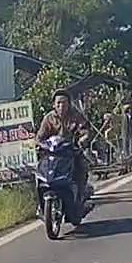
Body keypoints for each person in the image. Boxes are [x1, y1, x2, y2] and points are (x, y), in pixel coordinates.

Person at [36, 89, 93, 221]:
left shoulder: (76, 116)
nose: (61, 106)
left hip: (71, 153)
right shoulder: (48, 118)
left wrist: (82, 140)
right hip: (52, 154)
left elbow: (85, 130)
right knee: (39, 173)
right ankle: (40, 205)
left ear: (69, 104)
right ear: (54, 105)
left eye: (64, 103)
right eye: (59, 103)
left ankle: (80, 200)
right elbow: (39, 137)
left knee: (82, 168)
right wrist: (40, 144)